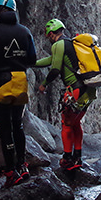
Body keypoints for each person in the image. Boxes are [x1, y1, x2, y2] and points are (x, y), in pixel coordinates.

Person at [0, 0, 37, 187]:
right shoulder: (26, 32)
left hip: (1, 83)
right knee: (18, 126)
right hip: (20, 83)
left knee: (5, 128)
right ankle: (22, 165)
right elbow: (32, 59)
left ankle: (11, 170)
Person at [35, 18, 95, 172]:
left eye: (48, 34)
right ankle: (78, 156)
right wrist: (32, 63)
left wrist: (44, 84)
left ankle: (68, 158)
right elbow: (51, 60)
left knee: (66, 124)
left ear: (50, 33)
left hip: (75, 88)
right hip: (88, 89)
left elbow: (54, 69)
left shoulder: (58, 45)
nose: (47, 37)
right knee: (75, 123)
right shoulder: (70, 44)